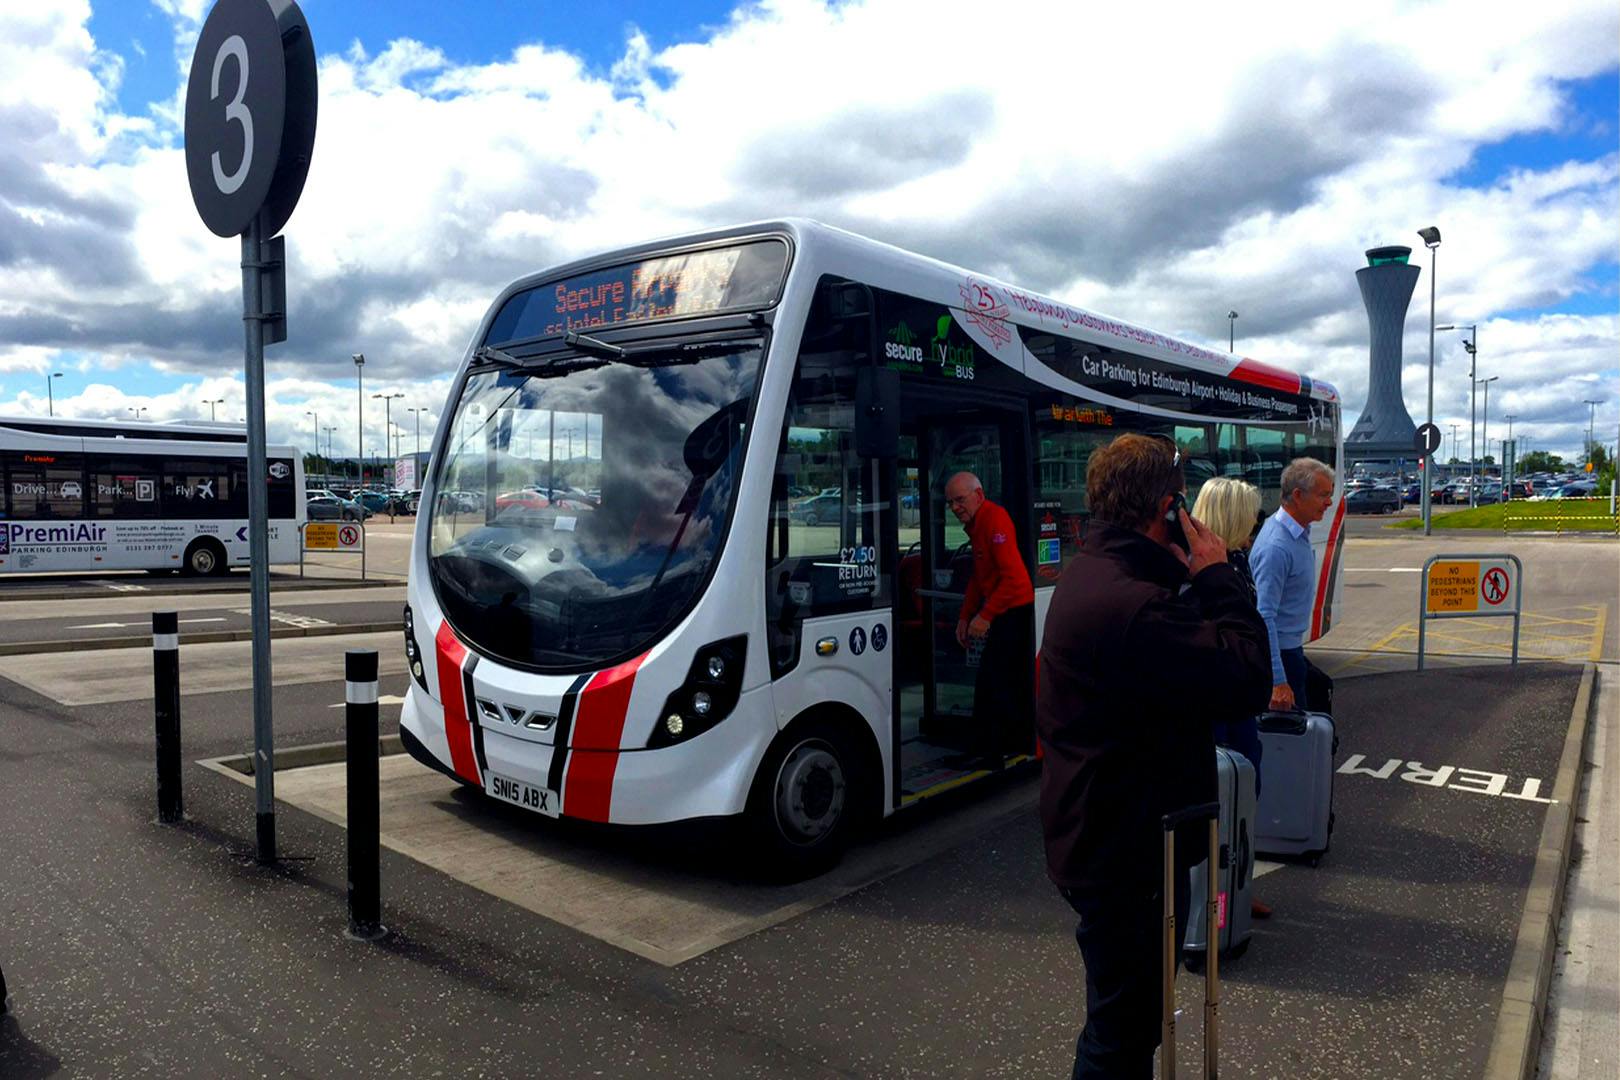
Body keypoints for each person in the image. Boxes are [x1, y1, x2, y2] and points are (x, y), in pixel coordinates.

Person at [1037, 434, 1272, 1079]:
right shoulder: (1134, 606)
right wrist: (1218, 575)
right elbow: (1246, 678)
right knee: (1122, 1032)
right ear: (1167, 507)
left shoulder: (1098, 572)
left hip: (1105, 836)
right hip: (1127, 854)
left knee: (1126, 1021)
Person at [1191, 475, 1273, 919]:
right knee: (1217, 801)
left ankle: (1237, 886)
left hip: (1239, 705)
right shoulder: (1202, 570)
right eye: (1249, 518)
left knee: (1244, 792)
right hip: (1217, 706)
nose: (1255, 526)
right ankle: (1213, 903)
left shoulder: (1235, 559)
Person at [946, 471, 1035, 764]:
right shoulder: (976, 524)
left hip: (1014, 611)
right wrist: (964, 617)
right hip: (1003, 609)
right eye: (950, 503)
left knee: (991, 683)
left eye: (960, 500)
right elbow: (979, 577)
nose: (955, 507)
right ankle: (992, 748)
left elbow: (1016, 580)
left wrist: (984, 616)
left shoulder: (994, 520)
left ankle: (990, 753)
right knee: (994, 682)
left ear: (979, 496)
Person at [1251, 458, 1336, 712]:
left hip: (1292, 651)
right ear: (1298, 495)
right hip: (1284, 657)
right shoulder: (1277, 546)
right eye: (1323, 495)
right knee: (1293, 742)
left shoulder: (1297, 532)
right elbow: (1264, 615)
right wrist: (1278, 679)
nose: (1329, 502)